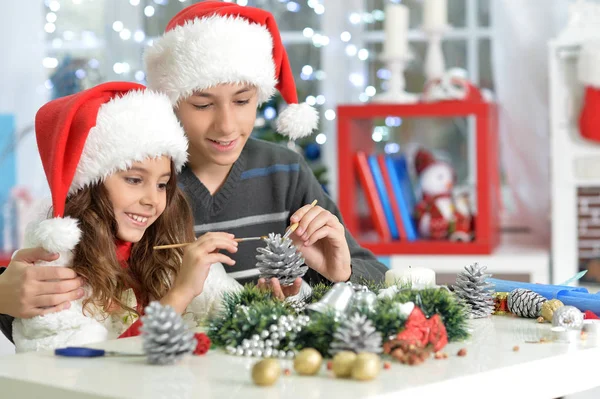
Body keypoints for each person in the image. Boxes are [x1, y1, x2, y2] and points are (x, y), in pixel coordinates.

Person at [143, 1, 388, 299]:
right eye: (203, 105)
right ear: (171, 101)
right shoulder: (146, 178)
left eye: (242, 101)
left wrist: (340, 273)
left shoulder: (285, 171)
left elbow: (379, 276)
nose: (227, 126)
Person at [5, 82, 240, 351]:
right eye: (134, 179)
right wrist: (181, 293)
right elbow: (85, 375)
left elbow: (240, 314)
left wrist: (279, 295)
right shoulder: (54, 269)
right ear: (90, 183)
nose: (152, 200)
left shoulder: (169, 252)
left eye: (162, 184)